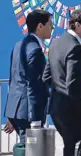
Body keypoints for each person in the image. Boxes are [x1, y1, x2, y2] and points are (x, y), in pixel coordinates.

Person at [42, 9, 81, 156]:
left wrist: (58, 90)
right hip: (71, 110)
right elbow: (72, 84)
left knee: (70, 148)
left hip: (57, 108)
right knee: (74, 151)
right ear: (77, 25)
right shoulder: (74, 47)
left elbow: (46, 77)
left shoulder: (56, 43)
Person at [4, 9, 53, 143]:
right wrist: (36, 119)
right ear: (40, 26)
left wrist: (11, 114)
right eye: (50, 24)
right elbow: (34, 86)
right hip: (29, 113)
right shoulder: (35, 50)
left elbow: (14, 80)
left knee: (24, 152)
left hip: (18, 110)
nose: (52, 27)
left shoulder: (18, 46)